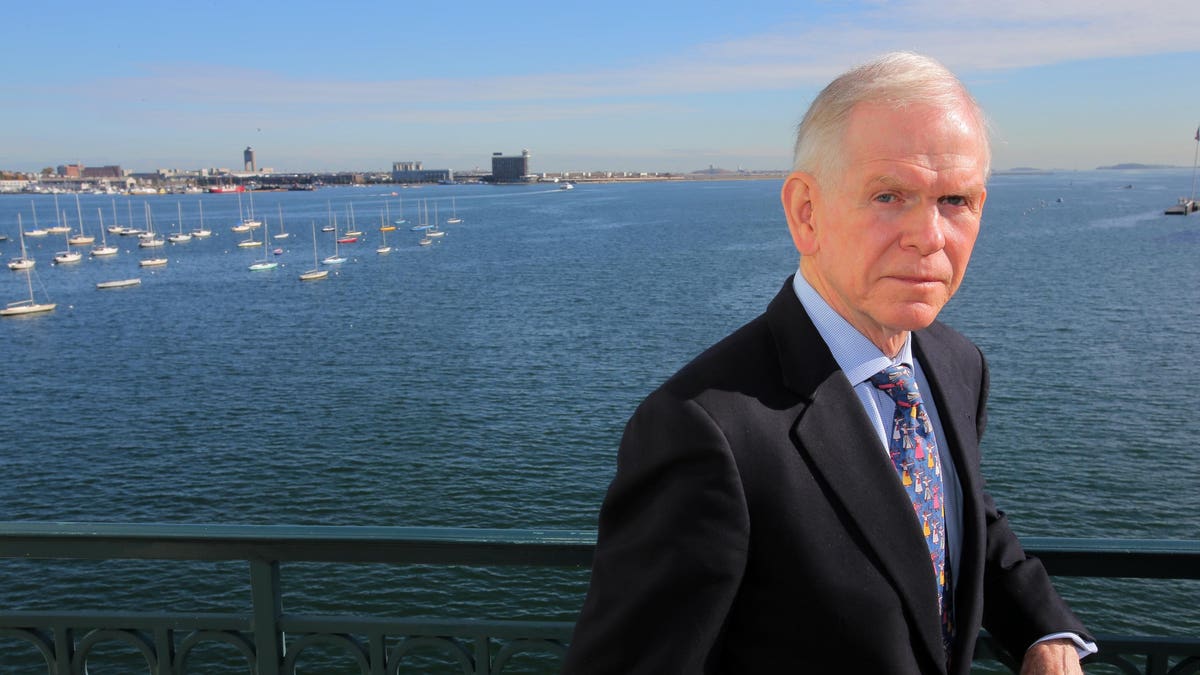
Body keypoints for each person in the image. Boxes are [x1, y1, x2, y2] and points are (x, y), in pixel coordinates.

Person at [562, 52, 1095, 675]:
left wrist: (1043, 631)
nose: (930, 236)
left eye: (955, 199)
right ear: (806, 212)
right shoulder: (705, 431)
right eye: (889, 195)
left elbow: (955, 510)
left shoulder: (956, 364)